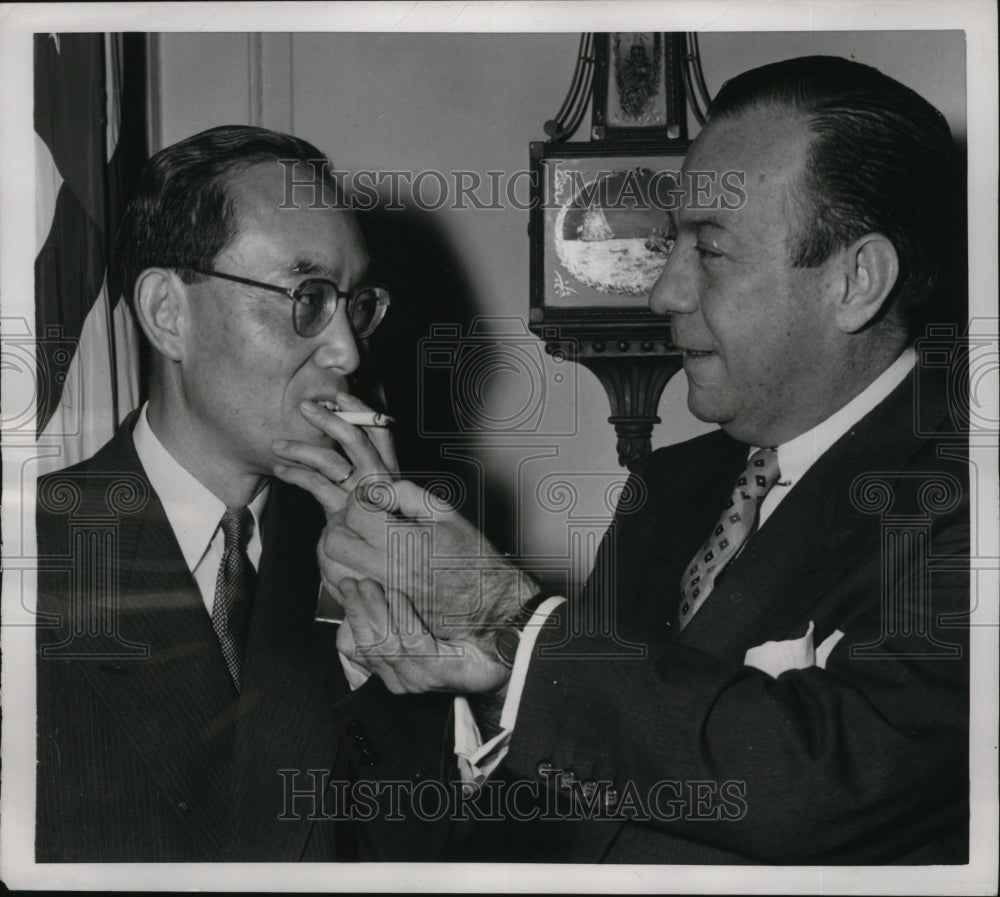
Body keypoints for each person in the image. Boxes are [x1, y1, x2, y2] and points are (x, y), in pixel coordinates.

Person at [294, 56, 970, 863]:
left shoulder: (968, 496)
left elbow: (825, 776)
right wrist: (466, 662)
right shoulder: (672, 487)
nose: (664, 293)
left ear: (858, 280)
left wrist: (509, 614)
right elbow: (579, 789)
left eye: (709, 250)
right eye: (671, 242)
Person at [35, 125, 452, 862]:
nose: (348, 351)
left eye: (355, 303)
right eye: (306, 296)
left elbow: (427, 851)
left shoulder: (375, 549)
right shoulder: (29, 555)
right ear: (169, 314)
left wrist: (397, 635)